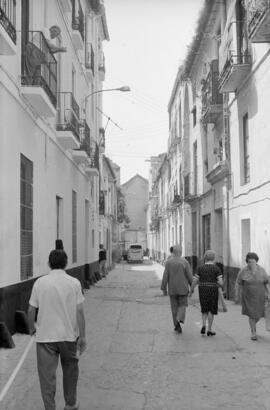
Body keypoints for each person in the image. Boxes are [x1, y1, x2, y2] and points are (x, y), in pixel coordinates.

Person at [28, 246, 86, 410]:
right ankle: (70, 404)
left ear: (49, 263)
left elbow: (31, 309)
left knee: (46, 377)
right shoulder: (74, 283)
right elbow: (80, 312)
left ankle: (49, 407)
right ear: (66, 263)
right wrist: (83, 337)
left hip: (45, 339)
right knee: (70, 371)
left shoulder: (40, 283)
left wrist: (32, 329)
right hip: (69, 337)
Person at [235, 252, 270, 341]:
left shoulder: (262, 270)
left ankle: (253, 325)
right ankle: (253, 332)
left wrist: (269, 293)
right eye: (249, 262)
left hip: (260, 296)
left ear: (256, 261)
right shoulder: (243, 271)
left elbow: (266, 283)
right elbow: (238, 283)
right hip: (248, 297)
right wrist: (237, 295)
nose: (251, 263)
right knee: (251, 314)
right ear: (247, 262)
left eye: (253, 262)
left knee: (258, 315)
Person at [161, 245, 193, 333]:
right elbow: (190, 276)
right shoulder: (185, 262)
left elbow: (165, 276)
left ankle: (176, 325)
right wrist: (192, 287)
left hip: (172, 289)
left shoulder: (168, 262)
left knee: (174, 308)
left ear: (173, 252)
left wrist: (164, 288)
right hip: (183, 289)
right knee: (183, 305)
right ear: (180, 252)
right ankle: (180, 319)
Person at [190, 250, 223, 336]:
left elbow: (195, 280)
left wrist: (192, 289)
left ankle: (204, 324)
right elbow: (221, 282)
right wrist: (218, 285)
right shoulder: (216, 268)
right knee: (211, 310)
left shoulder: (200, 268)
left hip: (203, 289)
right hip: (213, 290)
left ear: (205, 258)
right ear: (213, 258)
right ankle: (209, 329)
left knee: (204, 309)